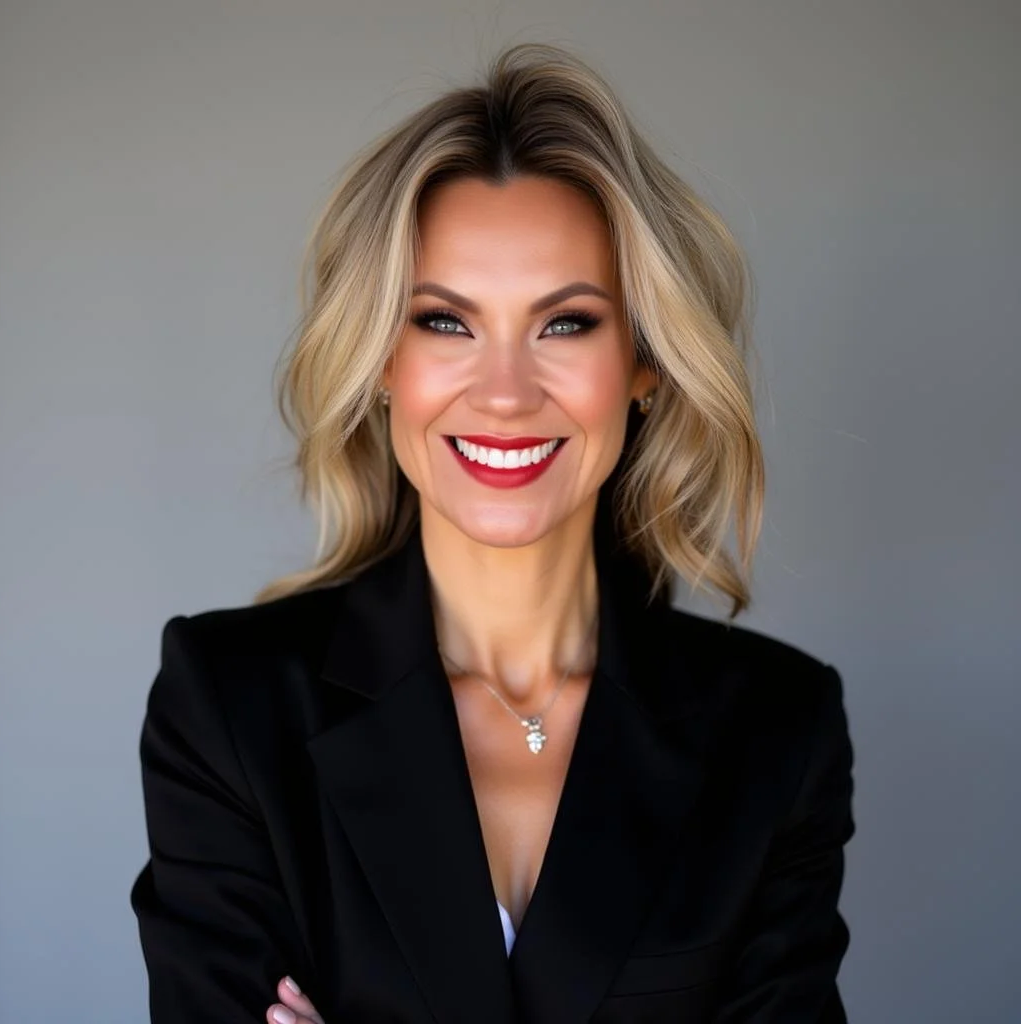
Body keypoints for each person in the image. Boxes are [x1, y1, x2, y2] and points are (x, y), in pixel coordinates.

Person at [130, 42, 856, 1024]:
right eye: (443, 322)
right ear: (380, 359)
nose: (505, 393)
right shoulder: (228, 707)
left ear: (644, 363)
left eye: (564, 324)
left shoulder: (775, 730)